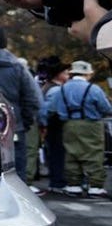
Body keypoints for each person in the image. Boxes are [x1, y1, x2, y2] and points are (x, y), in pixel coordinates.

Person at [0, 27, 42, 183]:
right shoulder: (17, 66)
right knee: (17, 172)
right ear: (4, 42)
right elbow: (32, 98)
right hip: (13, 127)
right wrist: (25, 121)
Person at [41, 60, 112, 197]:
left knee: (71, 154)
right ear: (87, 74)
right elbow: (106, 108)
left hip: (69, 125)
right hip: (91, 125)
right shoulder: (93, 89)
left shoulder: (62, 89)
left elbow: (50, 109)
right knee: (94, 154)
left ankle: (74, 185)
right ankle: (95, 187)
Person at [35, 56, 69, 194]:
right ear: (58, 75)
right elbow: (49, 109)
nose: (68, 75)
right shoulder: (55, 90)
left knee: (54, 154)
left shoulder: (47, 87)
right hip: (55, 125)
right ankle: (57, 182)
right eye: (66, 73)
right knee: (57, 154)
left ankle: (57, 180)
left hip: (51, 125)